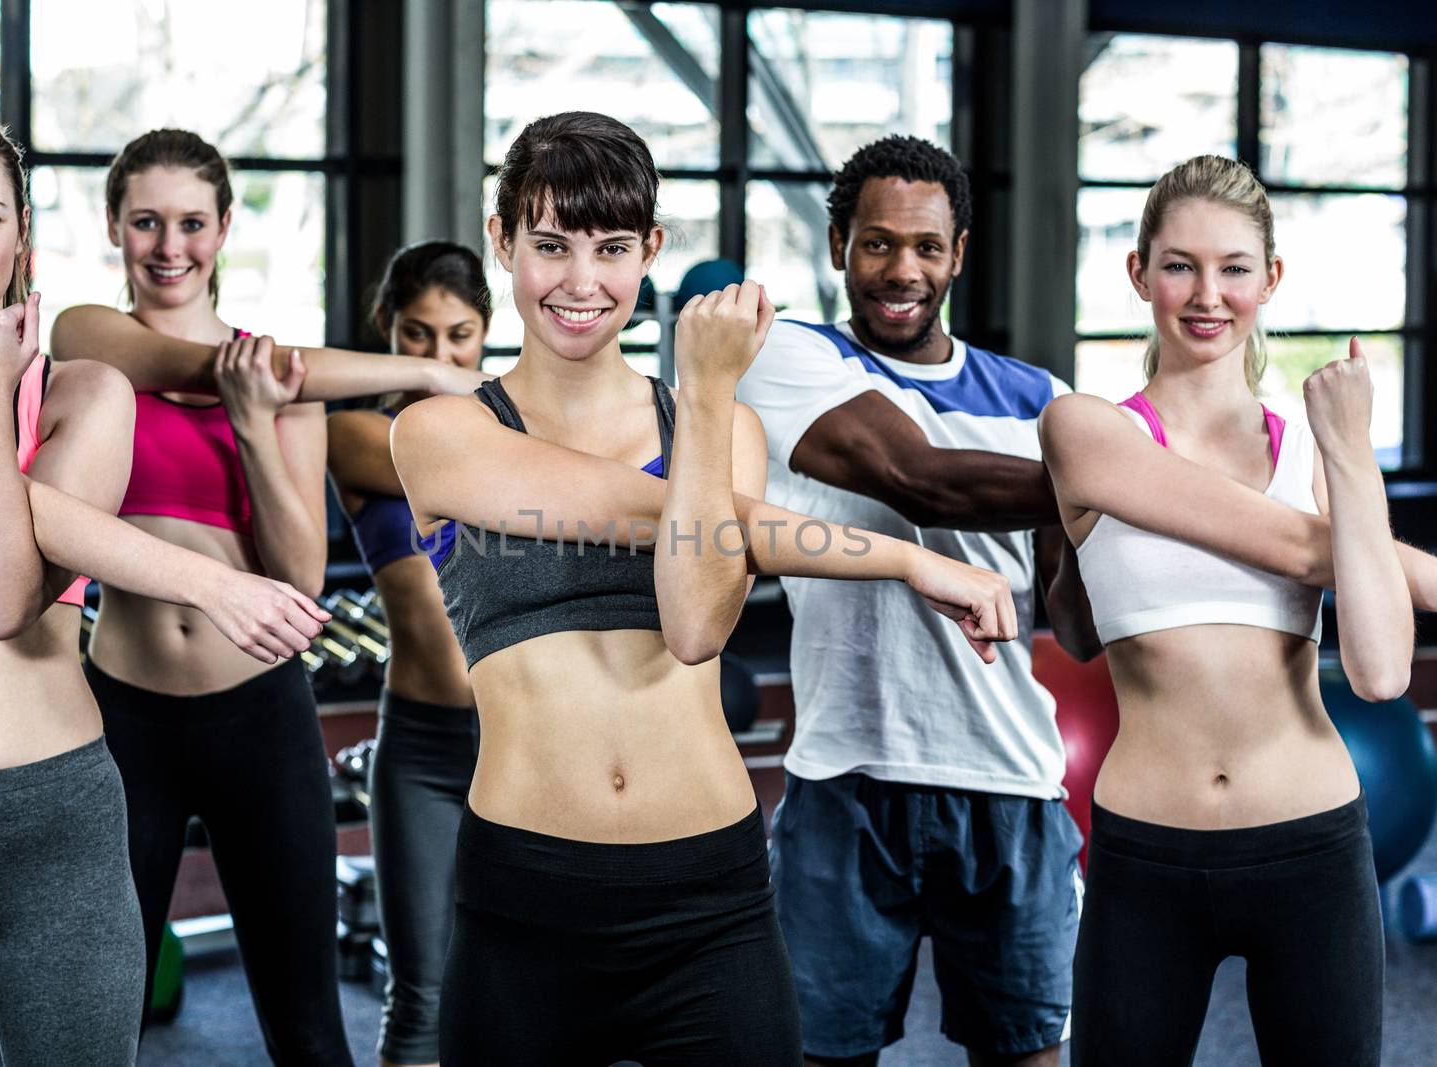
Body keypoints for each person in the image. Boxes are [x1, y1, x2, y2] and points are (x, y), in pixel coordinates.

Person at [387, 110, 1019, 1067]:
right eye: (550, 245)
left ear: (651, 251)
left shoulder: (724, 430)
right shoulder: (442, 434)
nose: (580, 281)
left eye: (610, 248)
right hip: (527, 899)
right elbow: (642, 512)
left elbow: (694, 624)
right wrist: (904, 556)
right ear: (502, 239)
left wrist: (711, 397)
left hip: (708, 901)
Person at [0, 105, 324, 1067]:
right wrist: (205, 580)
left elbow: (7, 592)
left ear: (23, 231)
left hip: (59, 817)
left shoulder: (88, 394)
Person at [1041, 154, 1422, 1066]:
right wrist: (1378, 551)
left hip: (1314, 844)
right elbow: (1292, 546)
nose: (1206, 294)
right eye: (1179, 265)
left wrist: (1350, 453)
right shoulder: (1086, 430)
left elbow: (1380, 672)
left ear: (1270, 279)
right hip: (1146, 852)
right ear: (1139, 274)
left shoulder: (1318, 455)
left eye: (1234, 268)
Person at [735, 135, 1095, 1067]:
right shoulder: (790, 361)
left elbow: (1077, 625)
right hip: (845, 775)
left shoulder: (1039, 400)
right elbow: (920, 479)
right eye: (878, 243)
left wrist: (1120, 522)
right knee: (820, 1054)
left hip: (1009, 778)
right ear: (837, 246)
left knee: (1028, 1055)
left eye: (927, 247)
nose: (903, 271)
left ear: (959, 253)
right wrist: (1130, 476)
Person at [53, 127, 363, 1061]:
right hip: (121, 721)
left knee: (307, 1026)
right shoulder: (89, 365)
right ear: (115, 226)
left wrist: (257, 424)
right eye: (146, 221)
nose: (168, 245)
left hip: (259, 715)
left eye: (191, 221)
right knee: (101, 1021)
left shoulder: (284, 382)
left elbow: (299, 577)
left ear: (226, 226)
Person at [327, 240, 490, 1067]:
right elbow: (444, 456)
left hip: (528, 746)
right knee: (420, 997)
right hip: (421, 747)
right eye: (418, 335)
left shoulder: (516, 439)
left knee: (536, 992)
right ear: (386, 333)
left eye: (459, 336)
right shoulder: (358, 437)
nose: (440, 355)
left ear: (487, 332)